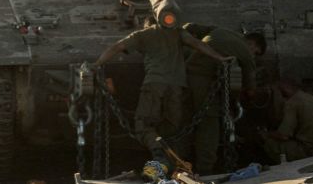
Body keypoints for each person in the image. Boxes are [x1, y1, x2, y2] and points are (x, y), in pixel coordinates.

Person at [96, 17, 227, 149]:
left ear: (146, 25)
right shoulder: (177, 32)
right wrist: (221, 58)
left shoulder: (144, 34)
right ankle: (169, 156)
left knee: (143, 125)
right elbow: (198, 44)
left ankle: (159, 151)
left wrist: (97, 64)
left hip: (155, 84)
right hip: (177, 86)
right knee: (172, 126)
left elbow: (117, 47)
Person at [182, 24, 265, 174]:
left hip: (182, 75)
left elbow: (190, 26)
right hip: (203, 81)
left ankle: (177, 162)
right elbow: (251, 87)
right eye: (256, 52)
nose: (254, 55)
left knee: (183, 121)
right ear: (251, 44)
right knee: (209, 125)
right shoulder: (245, 52)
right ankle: (205, 170)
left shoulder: (223, 29)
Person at [261, 79, 313, 163]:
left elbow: (283, 135)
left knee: (269, 143)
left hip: (311, 150)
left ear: (284, 89)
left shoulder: (292, 103)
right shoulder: (309, 97)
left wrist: (266, 134)